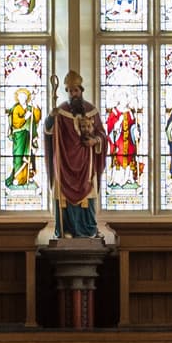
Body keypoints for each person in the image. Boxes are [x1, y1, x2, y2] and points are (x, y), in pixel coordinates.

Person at [44, 70, 103, 239]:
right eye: (69, 91)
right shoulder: (61, 111)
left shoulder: (92, 111)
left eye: (75, 90)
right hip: (64, 162)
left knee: (88, 195)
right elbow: (49, 132)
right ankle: (66, 229)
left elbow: (102, 135)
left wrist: (95, 141)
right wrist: (50, 117)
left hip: (86, 163)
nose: (73, 94)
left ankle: (88, 230)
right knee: (63, 197)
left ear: (81, 90)